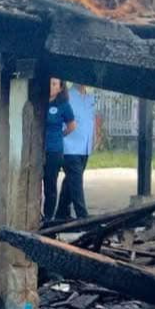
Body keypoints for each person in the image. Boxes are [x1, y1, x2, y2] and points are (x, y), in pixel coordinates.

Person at [56, 83, 95, 220]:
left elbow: (90, 120)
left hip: (84, 147)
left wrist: (94, 139)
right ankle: (82, 217)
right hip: (70, 147)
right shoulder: (67, 96)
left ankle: (61, 214)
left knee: (71, 181)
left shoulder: (90, 98)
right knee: (76, 182)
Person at [43, 77, 76, 225]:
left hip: (53, 150)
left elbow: (71, 126)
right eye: (49, 83)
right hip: (37, 150)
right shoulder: (39, 101)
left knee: (50, 185)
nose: (50, 86)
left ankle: (48, 218)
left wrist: (59, 135)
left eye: (54, 84)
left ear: (60, 88)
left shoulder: (63, 105)